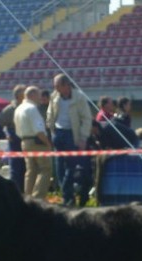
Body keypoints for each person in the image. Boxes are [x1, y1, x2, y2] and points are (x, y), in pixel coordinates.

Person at [46, 73, 93, 207]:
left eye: (57, 86)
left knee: (71, 168)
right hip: (58, 134)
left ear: (66, 85)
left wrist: (83, 137)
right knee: (60, 168)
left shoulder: (79, 97)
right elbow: (50, 114)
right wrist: (51, 130)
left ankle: (69, 196)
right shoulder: (54, 97)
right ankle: (68, 197)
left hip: (72, 135)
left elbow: (86, 118)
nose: (55, 89)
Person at [14, 86, 53, 199]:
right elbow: (39, 131)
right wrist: (48, 143)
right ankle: (38, 198)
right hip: (37, 142)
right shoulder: (32, 109)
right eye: (38, 95)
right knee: (45, 169)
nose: (40, 98)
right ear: (32, 95)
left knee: (31, 171)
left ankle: (28, 198)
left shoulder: (19, 108)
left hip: (24, 141)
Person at [0, 84, 26, 192]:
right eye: (24, 94)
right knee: (16, 172)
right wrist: (5, 137)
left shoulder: (27, 107)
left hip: (25, 142)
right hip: (16, 143)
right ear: (18, 96)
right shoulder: (10, 110)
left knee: (26, 171)